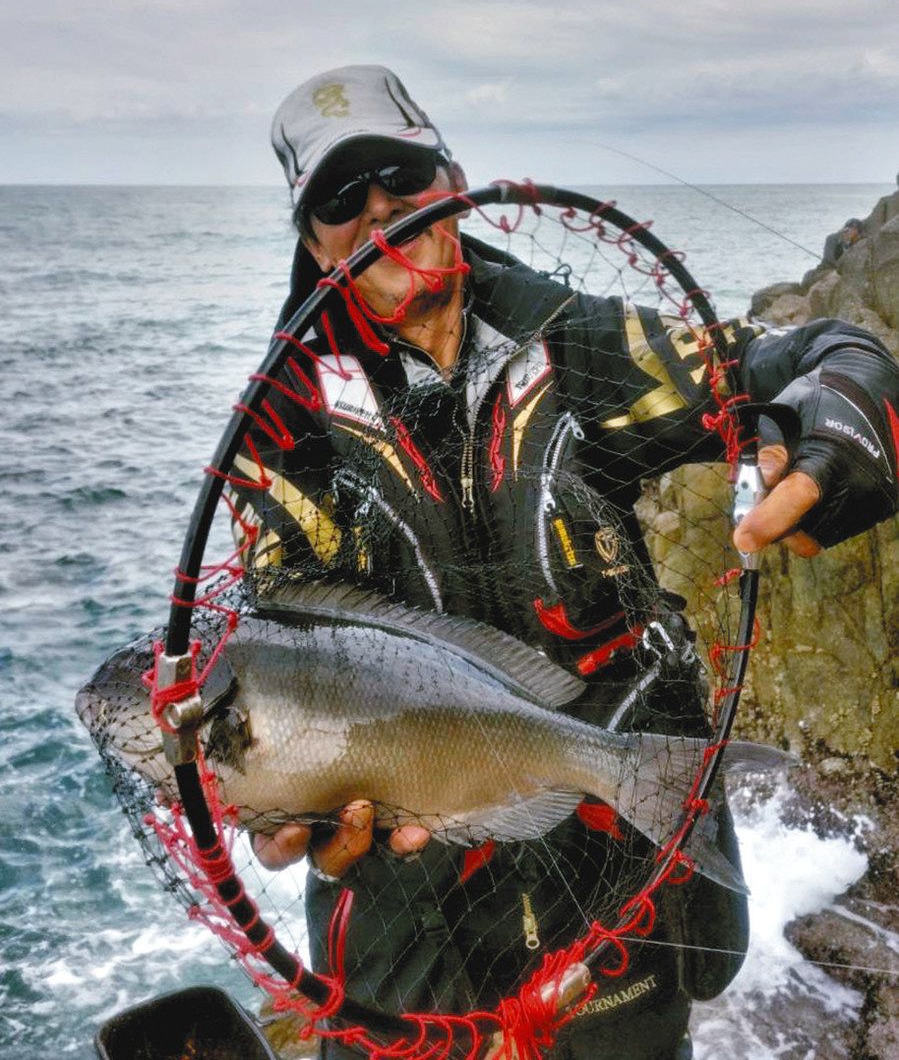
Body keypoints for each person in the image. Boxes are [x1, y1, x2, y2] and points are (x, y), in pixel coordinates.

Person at [236, 65, 899, 1060]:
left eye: (399, 174)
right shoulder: (274, 441)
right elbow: (273, 661)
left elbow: (791, 357)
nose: (378, 210)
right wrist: (276, 808)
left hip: (615, 916)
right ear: (310, 239)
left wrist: (847, 406)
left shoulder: (578, 347)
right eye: (340, 198)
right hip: (405, 955)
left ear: (450, 178)